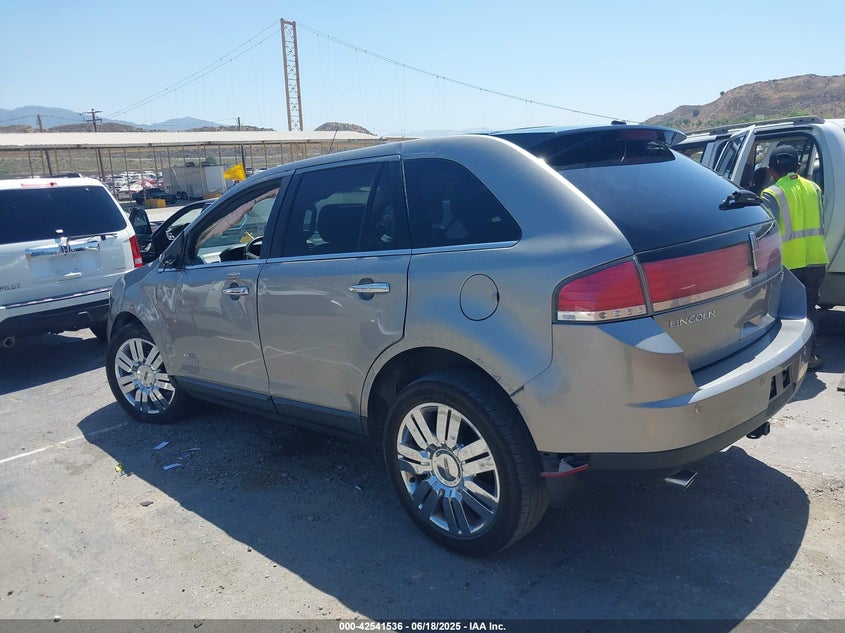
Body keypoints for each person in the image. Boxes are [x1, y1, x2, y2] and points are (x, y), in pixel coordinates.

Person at [760, 145, 829, 370]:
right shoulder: (814, 187)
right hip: (816, 259)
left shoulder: (771, 193)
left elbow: (767, 231)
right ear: (798, 167)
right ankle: (809, 357)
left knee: (784, 315)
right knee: (809, 309)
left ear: (771, 171)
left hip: (788, 264)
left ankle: (785, 362)